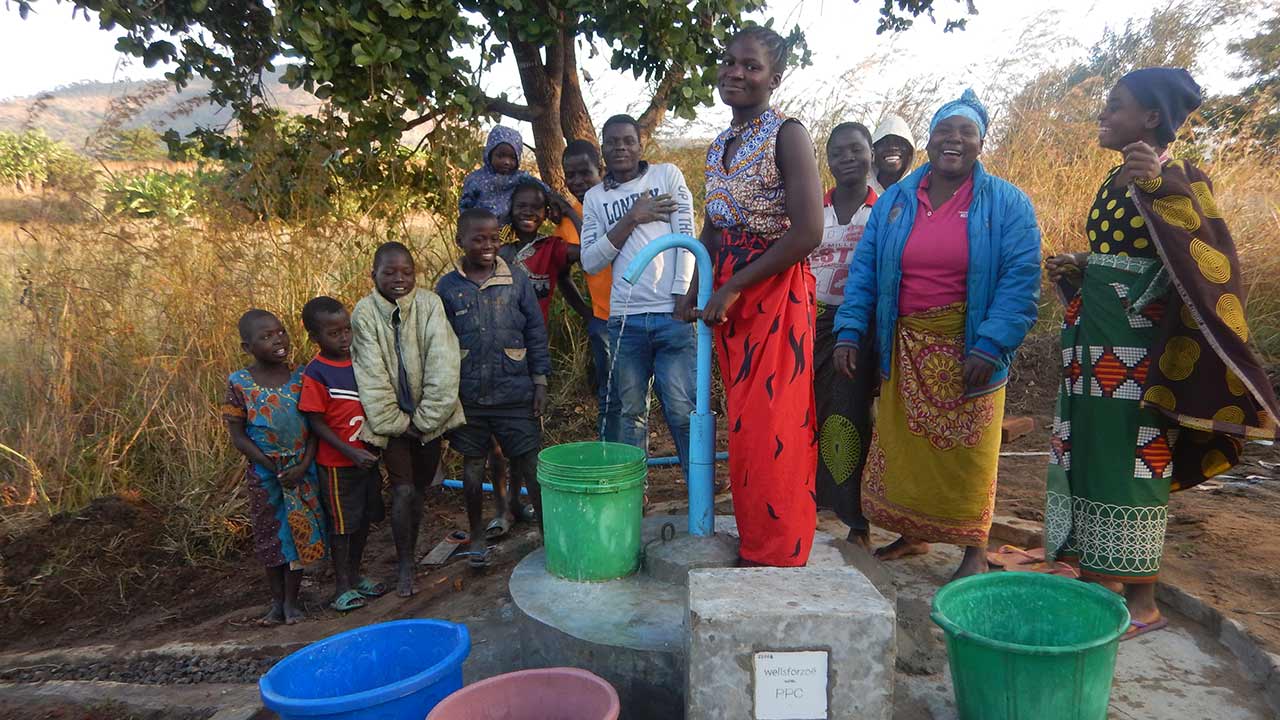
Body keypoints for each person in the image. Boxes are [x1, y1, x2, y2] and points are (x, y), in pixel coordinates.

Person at [1043, 68, 1280, 639]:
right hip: (1094, 343)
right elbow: (1128, 255)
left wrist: (1159, 190)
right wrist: (1082, 262)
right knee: (1096, 454)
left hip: (1139, 354)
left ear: (1151, 118)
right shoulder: (1113, 178)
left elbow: (1207, 255)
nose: (1104, 112)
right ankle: (1103, 585)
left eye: (1115, 104)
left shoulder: (1178, 177)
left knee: (1136, 459)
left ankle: (1143, 601)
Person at [834, 89, 1042, 580]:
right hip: (904, 346)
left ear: (980, 142)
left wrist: (992, 343)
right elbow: (866, 270)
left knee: (971, 453)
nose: (954, 140)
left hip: (971, 345)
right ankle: (914, 534)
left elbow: (1021, 279)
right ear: (927, 141)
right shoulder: (898, 201)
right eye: (944, 131)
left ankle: (974, 549)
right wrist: (848, 330)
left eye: (965, 132)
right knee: (909, 450)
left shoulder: (1007, 203)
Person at [694, 25, 824, 567]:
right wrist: (693, 286)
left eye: (750, 66)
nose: (735, 73)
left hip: (772, 288)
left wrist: (732, 286)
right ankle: (756, 539)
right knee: (744, 425)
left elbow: (808, 232)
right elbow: (713, 226)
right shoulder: (719, 144)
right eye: (728, 62)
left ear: (775, 77)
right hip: (731, 290)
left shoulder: (786, 134)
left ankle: (778, 550)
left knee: (773, 421)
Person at [580, 114, 697, 475]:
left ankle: (698, 486)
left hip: (671, 315)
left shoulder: (666, 177)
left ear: (639, 144)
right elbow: (590, 260)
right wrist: (631, 218)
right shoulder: (596, 198)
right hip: (625, 321)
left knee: (681, 408)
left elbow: (687, 237)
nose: (620, 148)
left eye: (627, 140)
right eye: (612, 142)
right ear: (603, 148)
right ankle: (635, 491)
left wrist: (682, 296)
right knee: (631, 413)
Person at [438, 208, 551, 567]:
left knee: (530, 463)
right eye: (478, 239)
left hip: (514, 392)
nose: (487, 246)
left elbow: (535, 331)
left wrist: (540, 381)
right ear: (461, 242)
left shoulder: (516, 279)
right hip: (469, 397)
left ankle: (551, 539)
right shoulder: (447, 287)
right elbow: (439, 343)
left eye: (493, 238)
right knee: (473, 468)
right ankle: (476, 537)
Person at [351, 242, 465, 597]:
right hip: (391, 425)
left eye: (406, 272)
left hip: (431, 419)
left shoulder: (429, 304)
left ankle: (412, 551)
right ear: (373, 275)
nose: (399, 279)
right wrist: (399, 423)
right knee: (401, 491)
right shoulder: (364, 313)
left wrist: (427, 418)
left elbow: (444, 364)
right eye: (389, 272)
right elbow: (369, 374)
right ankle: (405, 566)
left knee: (419, 489)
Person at [222, 310, 328, 625]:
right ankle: (276, 603)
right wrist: (269, 465)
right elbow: (238, 435)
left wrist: (303, 464)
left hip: (301, 472)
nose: (277, 340)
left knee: (299, 534)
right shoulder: (239, 383)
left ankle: (293, 603)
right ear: (247, 347)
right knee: (271, 538)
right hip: (264, 474)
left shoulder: (303, 375)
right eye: (265, 337)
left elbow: (315, 425)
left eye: (280, 332)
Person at [812, 122, 879, 549]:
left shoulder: (886, 208)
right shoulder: (814, 208)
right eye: (838, 152)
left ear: (871, 153)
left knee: (849, 415)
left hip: (859, 325)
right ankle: (815, 502)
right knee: (812, 413)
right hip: (810, 320)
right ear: (828, 159)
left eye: (856, 149)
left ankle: (857, 520)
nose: (847, 157)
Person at [299, 296, 386, 613]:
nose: (344, 338)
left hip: (367, 459)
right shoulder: (317, 372)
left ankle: (356, 574)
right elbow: (316, 421)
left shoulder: (361, 361)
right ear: (315, 337)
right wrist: (350, 451)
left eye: (347, 330)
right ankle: (341, 587)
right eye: (334, 333)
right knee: (342, 525)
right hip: (337, 465)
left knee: (363, 521)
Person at [561, 140, 612, 432]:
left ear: (601, 170)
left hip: (644, 311)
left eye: (585, 173)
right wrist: (587, 313)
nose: (578, 181)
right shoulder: (569, 223)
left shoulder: (622, 199)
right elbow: (562, 274)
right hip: (603, 319)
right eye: (571, 175)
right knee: (609, 394)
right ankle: (608, 456)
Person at [500, 180, 592, 324]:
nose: (528, 212)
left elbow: (590, 251)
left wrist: (569, 211)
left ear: (546, 213)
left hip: (534, 339)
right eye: (521, 206)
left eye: (536, 207)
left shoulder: (551, 248)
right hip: (493, 337)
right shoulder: (495, 245)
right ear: (510, 209)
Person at [459, 125, 544, 223]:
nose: (507, 162)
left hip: (509, 232)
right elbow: (465, 205)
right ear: (489, 154)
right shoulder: (475, 179)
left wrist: (555, 199)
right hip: (480, 229)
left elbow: (540, 186)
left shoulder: (519, 177)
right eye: (500, 156)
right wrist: (468, 226)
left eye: (512, 157)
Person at [869, 114, 916, 195]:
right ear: (873, 151)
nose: (892, 147)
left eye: (900, 142)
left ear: (910, 152)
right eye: (884, 142)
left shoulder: (919, 194)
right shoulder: (860, 194)